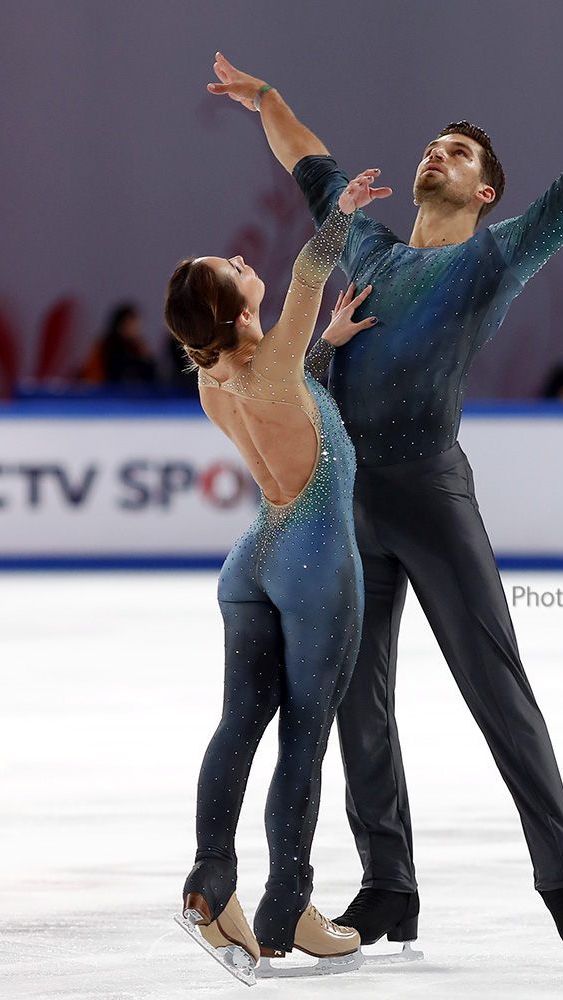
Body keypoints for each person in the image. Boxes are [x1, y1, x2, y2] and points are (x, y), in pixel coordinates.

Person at [206, 54, 563, 965]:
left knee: (495, 687)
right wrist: (265, 99)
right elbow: (306, 158)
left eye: (459, 152)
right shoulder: (367, 247)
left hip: (433, 498)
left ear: (486, 193)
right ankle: (389, 882)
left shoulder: (497, 255)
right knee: (359, 701)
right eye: (434, 145)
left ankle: (562, 876)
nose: (437, 153)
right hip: (349, 503)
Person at [164, 160, 391, 982]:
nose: (239, 257)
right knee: (304, 734)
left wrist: (323, 345)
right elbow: (309, 271)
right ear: (235, 309)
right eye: (230, 268)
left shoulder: (216, 378)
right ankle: (287, 903)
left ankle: (210, 876)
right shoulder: (271, 364)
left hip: (253, 562)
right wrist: (344, 211)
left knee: (239, 722)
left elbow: (286, 408)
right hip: (313, 564)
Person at [80, 303, 157, 385]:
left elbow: (151, 374)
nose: (131, 328)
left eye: (134, 324)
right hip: (107, 390)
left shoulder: (139, 347)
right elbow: (92, 376)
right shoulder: (104, 346)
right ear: (119, 324)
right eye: (127, 324)